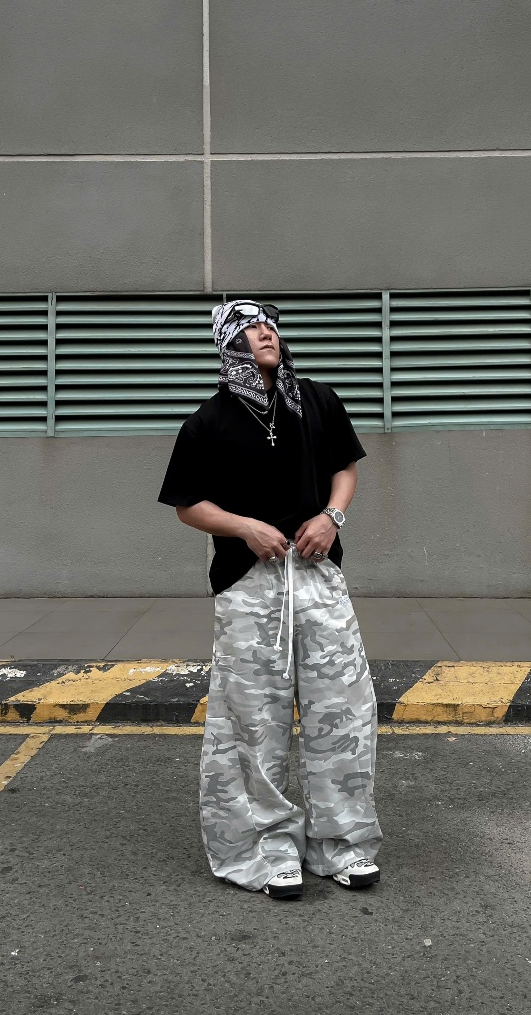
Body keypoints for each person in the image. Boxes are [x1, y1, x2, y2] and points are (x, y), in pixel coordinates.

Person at [157, 299, 383, 900]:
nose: (265, 333)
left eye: (269, 325)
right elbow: (187, 505)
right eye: (249, 327)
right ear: (228, 344)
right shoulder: (207, 423)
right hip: (249, 585)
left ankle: (342, 844)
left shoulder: (319, 401)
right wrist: (245, 528)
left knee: (343, 711)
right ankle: (265, 849)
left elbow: (345, 469)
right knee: (253, 721)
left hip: (317, 576)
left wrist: (332, 516)